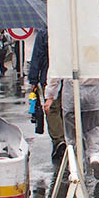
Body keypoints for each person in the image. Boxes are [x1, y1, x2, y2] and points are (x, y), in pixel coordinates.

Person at [45, 46, 99, 180]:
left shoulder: (67, 45)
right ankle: (94, 156)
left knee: (71, 134)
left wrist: (50, 96)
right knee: (93, 128)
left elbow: (55, 72)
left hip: (71, 93)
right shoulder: (96, 44)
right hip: (94, 93)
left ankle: (75, 166)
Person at [28, 29, 65, 162]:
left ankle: (59, 139)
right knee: (65, 108)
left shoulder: (44, 33)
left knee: (52, 109)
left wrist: (33, 79)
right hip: (68, 77)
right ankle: (69, 138)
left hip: (48, 77)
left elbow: (37, 56)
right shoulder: (69, 30)